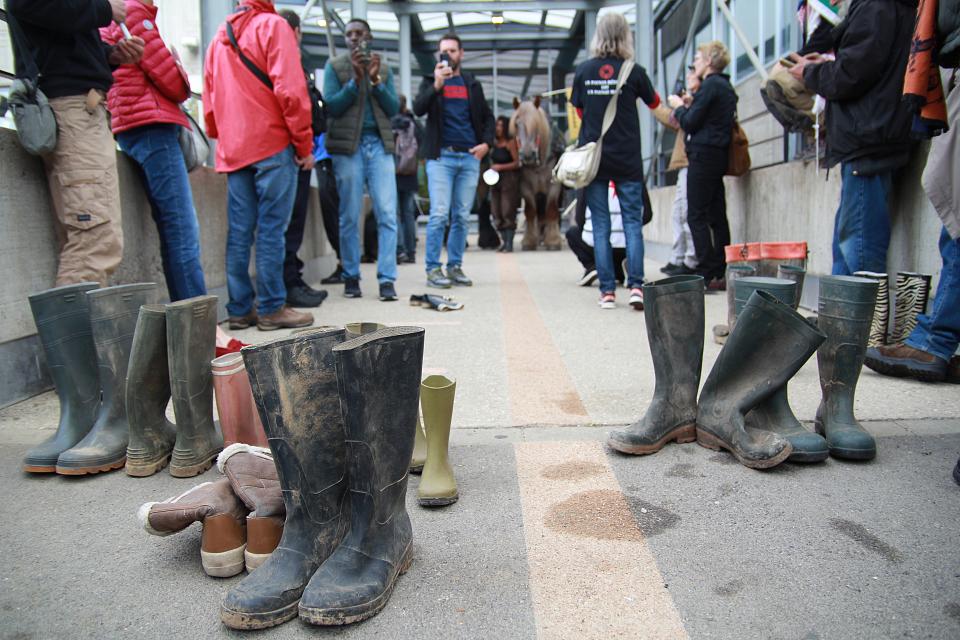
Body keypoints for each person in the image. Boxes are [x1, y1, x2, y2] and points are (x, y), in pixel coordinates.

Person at [7, 0, 144, 287]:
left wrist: (109, 55)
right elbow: (30, 7)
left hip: (80, 107)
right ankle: (76, 333)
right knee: (94, 240)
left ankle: (80, 331)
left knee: (89, 238)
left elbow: (60, 40)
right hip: (71, 109)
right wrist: (105, 10)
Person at [204, 0, 315, 331]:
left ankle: (239, 308)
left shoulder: (217, 38)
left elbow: (209, 103)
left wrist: (224, 136)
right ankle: (270, 307)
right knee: (271, 230)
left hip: (234, 148)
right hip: (271, 142)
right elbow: (291, 92)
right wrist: (303, 143)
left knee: (239, 231)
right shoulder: (274, 26)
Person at [789, 0, 917, 276]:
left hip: (869, 138)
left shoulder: (877, 7)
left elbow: (851, 74)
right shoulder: (883, 7)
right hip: (872, 136)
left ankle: (860, 320)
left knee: (858, 250)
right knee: (849, 247)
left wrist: (811, 73)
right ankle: (842, 319)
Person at [100, 0, 204, 302]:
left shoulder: (120, 13)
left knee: (175, 228)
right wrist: (179, 68)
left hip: (133, 124)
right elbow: (174, 83)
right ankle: (199, 323)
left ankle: (190, 320)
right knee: (182, 230)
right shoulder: (133, 12)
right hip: (151, 125)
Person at [571, 13, 660, 310]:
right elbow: (655, 103)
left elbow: (580, 112)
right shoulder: (634, 71)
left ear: (599, 34)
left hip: (595, 161)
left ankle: (607, 292)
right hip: (628, 160)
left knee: (600, 226)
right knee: (633, 224)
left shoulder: (584, 71)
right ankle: (636, 286)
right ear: (626, 35)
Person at [323, 19, 400, 301]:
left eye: (360, 34)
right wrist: (355, 82)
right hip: (348, 148)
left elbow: (393, 108)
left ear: (370, 37)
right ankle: (351, 276)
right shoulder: (335, 66)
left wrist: (376, 80)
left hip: (379, 145)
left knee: (388, 213)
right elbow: (331, 106)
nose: (354, 38)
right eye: (349, 34)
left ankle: (387, 279)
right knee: (349, 214)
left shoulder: (384, 68)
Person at [413, 33, 495, 289]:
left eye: (452, 50)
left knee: (460, 215)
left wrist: (486, 144)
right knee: (439, 214)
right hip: (441, 157)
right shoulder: (430, 82)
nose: (448, 55)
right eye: (443, 51)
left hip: (469, 157)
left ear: (461, 53)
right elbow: (418, 109)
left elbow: (488, 118)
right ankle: (433, 269)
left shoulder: (472, 84)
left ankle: (455, 266)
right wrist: (437, 85)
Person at [669, 40, 737, 291]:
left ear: (709, 61)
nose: (694, 63)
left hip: (702, 155)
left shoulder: (709, 86)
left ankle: (707, 272)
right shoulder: (725, 87)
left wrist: (679, 108)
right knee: (717, 215)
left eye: (697, 58)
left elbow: (692, 122)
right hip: (717, 155)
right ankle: (719, 268)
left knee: (696, 214)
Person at [277, 9, 328, 308]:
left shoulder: (290, 59)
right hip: (291, 151)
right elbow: (294, 103)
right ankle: (286, 285)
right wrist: (303, 148)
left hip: (292, 148)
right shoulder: (281, 58)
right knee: (286, 223)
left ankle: (291, 280)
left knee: (288, 223)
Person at [656, 65, 700, 276]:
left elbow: (684, 121)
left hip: (693, 161)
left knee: (686, 213)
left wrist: (679, 106)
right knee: (678, 213)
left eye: (692, 72)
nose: (689, 77)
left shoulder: (701, 99)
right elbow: (675, 121)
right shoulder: (694, 101)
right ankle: (679, 257)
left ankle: (690, 261)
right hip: (686, 161)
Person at [566, 184, 627, 286]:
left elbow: (579, 218)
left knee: (573, 233)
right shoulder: (631, 177)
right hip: (626, 247)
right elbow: (647, 214)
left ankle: (593, 266)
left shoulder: (590, 181)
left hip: (599, 246)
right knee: (634, 236)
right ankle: (629, 271)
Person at [391, 95, 421, 264]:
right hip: (409, 172)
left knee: (394, 212)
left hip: (393, 172)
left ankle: (399, 250)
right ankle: (411, 251)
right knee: (408, 213)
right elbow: (422, 142)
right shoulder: (412, 123)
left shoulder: (389, 123)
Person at [489, 116, 521, 253]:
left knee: (507, 209)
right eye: (496, 125)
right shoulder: (494, 144)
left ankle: (509, 243)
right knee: (496, 211)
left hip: (509, 180)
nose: (498, 128)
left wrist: (501, 167)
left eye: (500, 125)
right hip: (494, 180)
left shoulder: (510, 143)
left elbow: (517, 162)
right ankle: (503, 241)